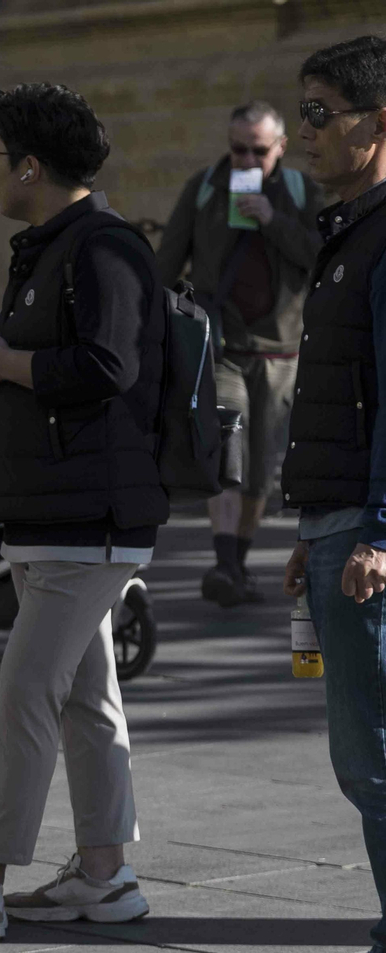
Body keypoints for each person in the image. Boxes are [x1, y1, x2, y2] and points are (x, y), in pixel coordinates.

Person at [0, 83, 165, 942]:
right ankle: (105, 874)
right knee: (82, 698)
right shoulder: (47, 247)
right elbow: (46, 360)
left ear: (30, 165)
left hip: (90, 515)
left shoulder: (103, 247)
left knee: (25, 693)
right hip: (50, 511)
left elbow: (108, 365)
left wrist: (6, 363)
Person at [279, 34, 386, 953]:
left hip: (368, 530)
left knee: (376, 754)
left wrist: (377, 531)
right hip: (337, 516)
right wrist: (311, 523)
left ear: (377, 123)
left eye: (320, 113)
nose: (302, 130)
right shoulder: (352, 228)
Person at [157, 102, 323, 608]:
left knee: (261, 465)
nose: (247, 160)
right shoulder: (205, 187)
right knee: (227, 445)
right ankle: (225, 562)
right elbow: (167, 261)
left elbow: (322, 257)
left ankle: (238, 562)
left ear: (280, 148)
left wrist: (272, 220)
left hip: (280, 352)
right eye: (237, 149)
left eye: (258, 150)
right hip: (222, 345)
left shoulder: (300, 193)